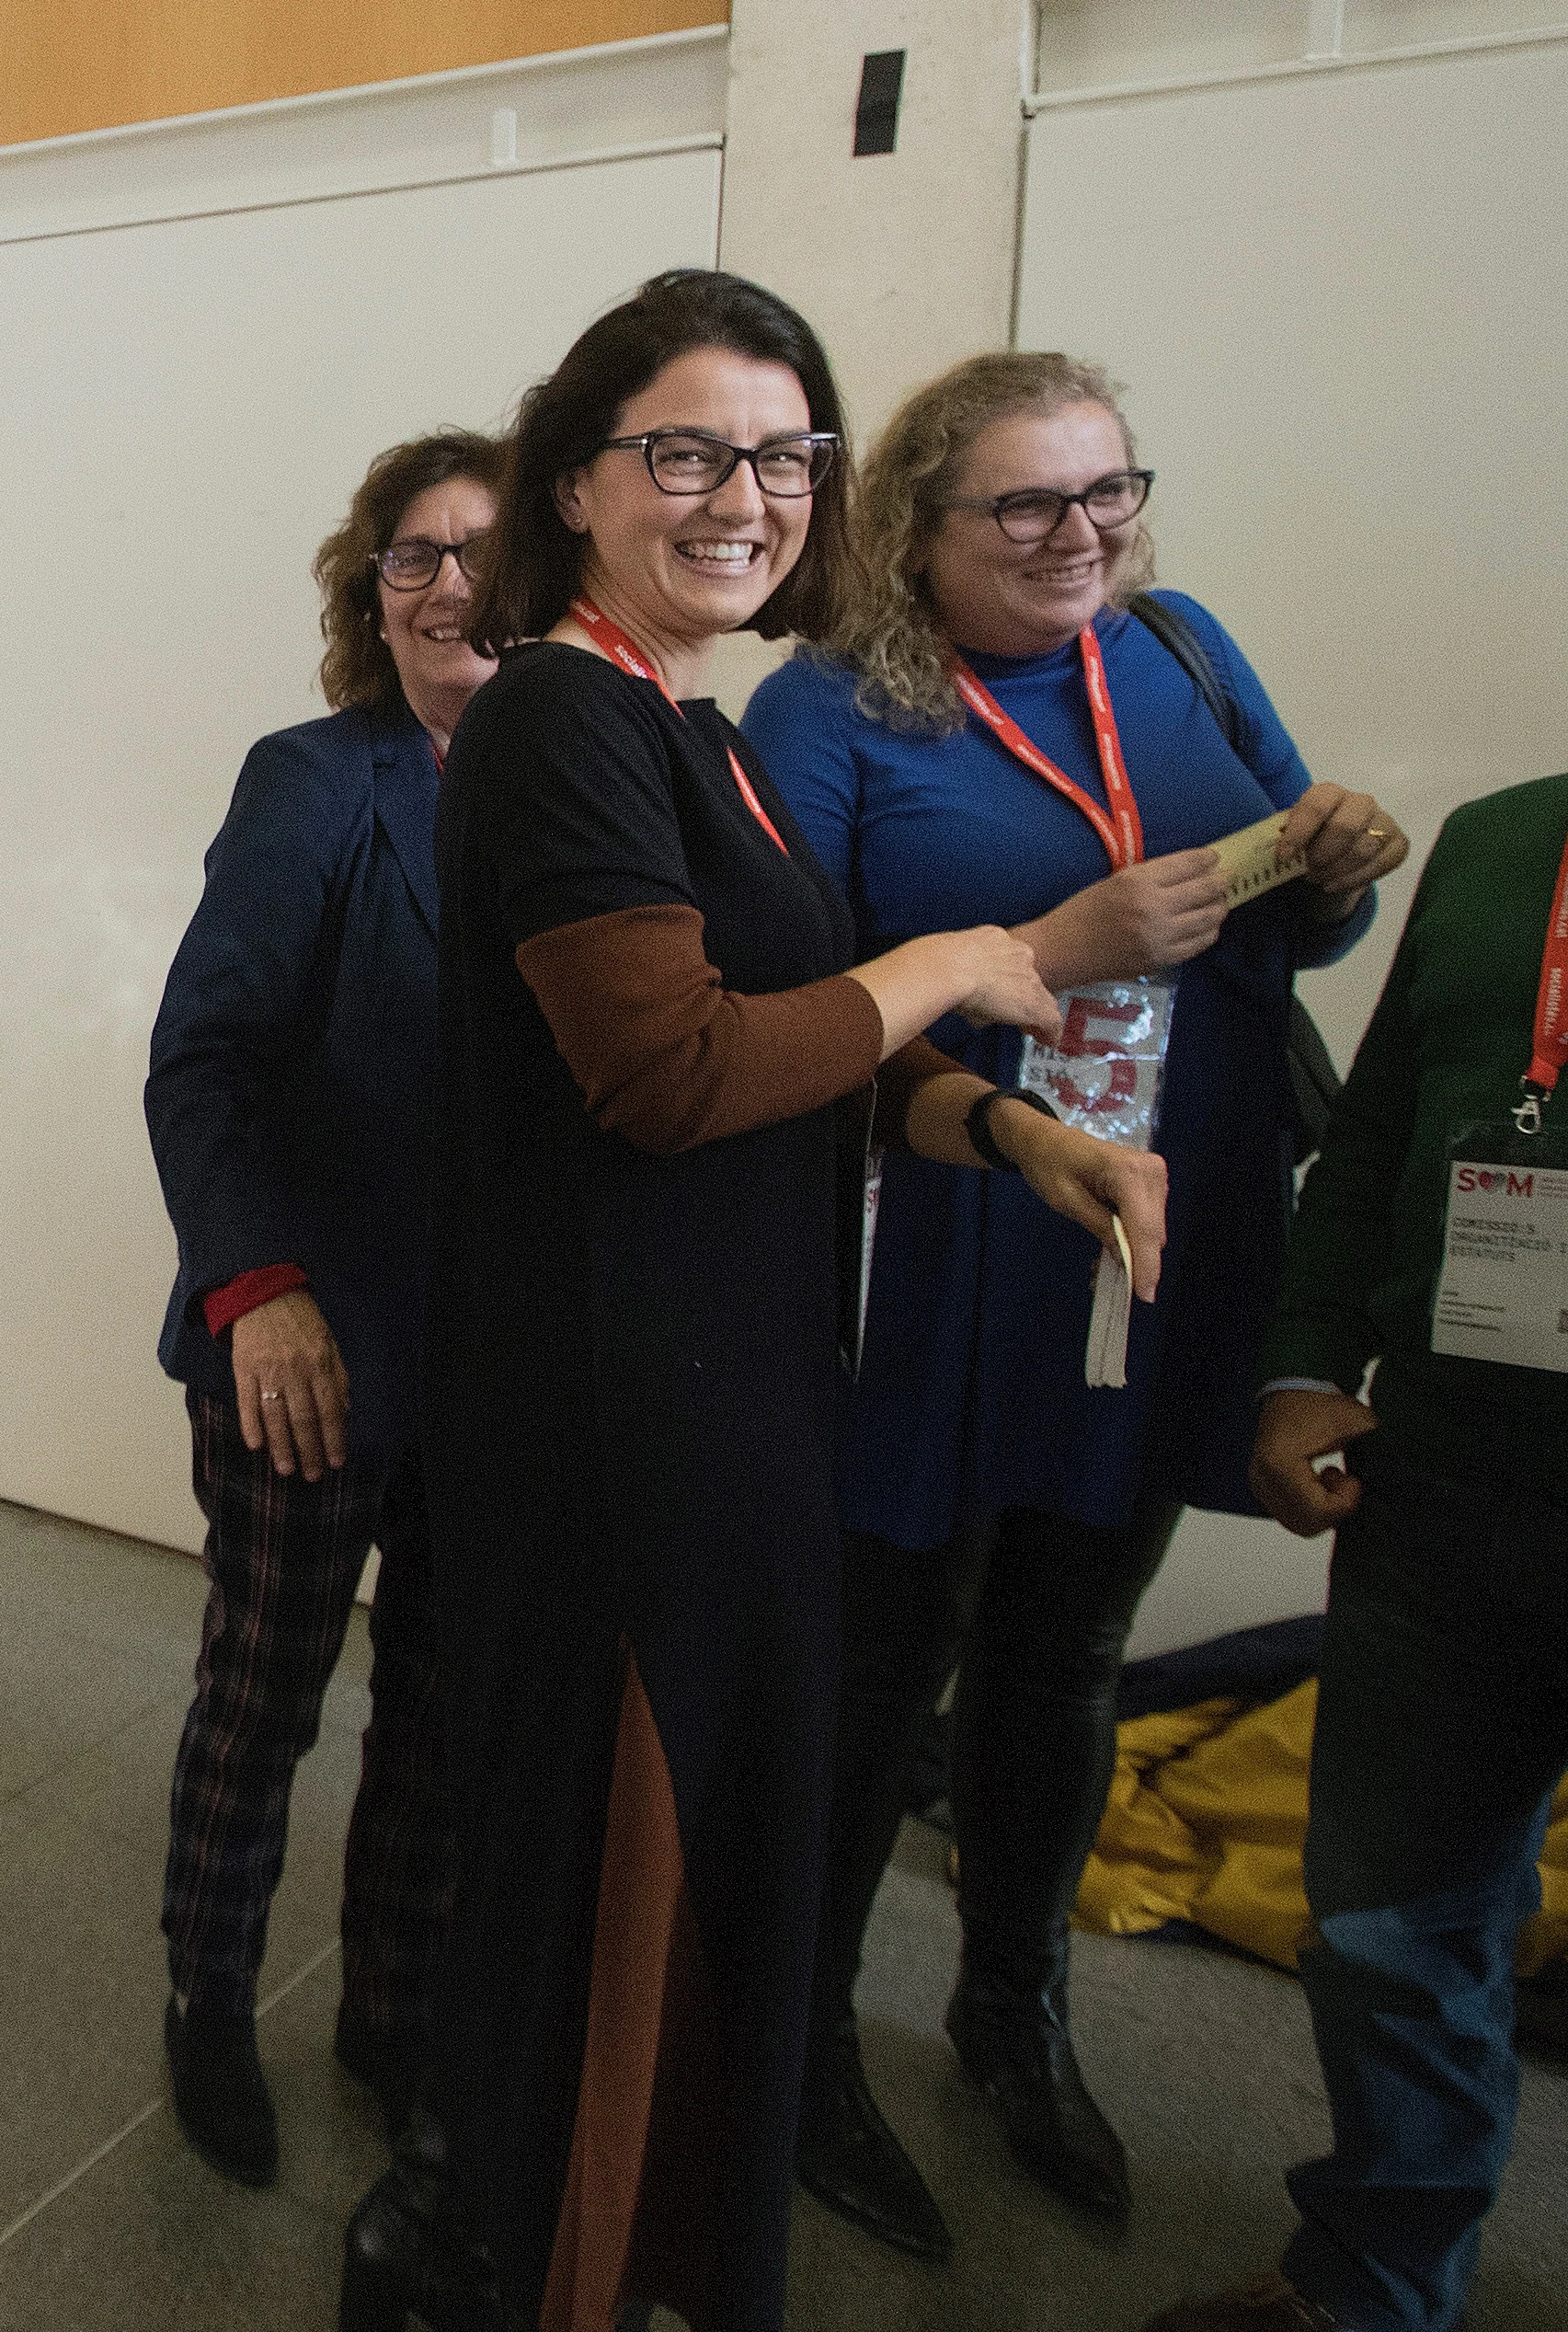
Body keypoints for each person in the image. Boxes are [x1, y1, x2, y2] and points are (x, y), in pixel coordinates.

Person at [336, 271, 1166, 2332]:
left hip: (738, 1411)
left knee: (706, 1899)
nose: (748, 494)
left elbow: (808, 1031)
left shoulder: (686, 718)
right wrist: (964, 947)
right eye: (687, 451)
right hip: (626, 1440)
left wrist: (1002, 1131)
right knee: (619, 1930)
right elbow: (675, 1067)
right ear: (582, 482)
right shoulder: (555, 714)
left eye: (786, 454)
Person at [744, 352, 1406, 2261]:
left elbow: (1285, 911)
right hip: (946, 1234)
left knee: (1072, 1640)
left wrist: (1335, 869)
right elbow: (797, 1009)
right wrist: (1057, 944)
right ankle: (800, 2049)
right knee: (887, 1659)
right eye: (1027, 507)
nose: (1083, 536)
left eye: (1110, 491)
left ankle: (1012, 2012)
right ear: (917, 530)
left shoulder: (1183, 649)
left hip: (1161, 1222)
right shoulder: (832, 712)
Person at [1137, 769, 1568, 2332]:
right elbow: (1380, 1124)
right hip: (1447, 1479)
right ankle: (1373, 2286)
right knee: (1394, 1924)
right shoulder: (1508, 841)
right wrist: (1302, 1360)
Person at [141, 426, 499, 2187]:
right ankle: (208, 1996)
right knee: (265, 1691)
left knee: (441, 1704)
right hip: (310, 1340)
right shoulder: (316, 779)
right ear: (376, 596)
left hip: (507, 1364)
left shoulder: (628, 772)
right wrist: (257, 1292)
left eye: (485, 553)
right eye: (412, 556)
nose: (449, 585)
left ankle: (394, 2007)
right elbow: (200, 1059)